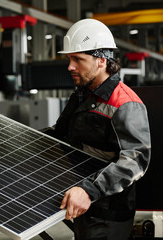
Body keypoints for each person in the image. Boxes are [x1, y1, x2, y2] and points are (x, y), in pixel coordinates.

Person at [44, 19, 151, 240]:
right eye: (69, 59)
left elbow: (135, 160)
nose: (70, 66)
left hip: (107, 214)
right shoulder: (82, 95)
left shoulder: (125, 103)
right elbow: (60, 136)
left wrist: (88, 190)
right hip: (81, 202)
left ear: (101, 60)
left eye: (77, 59)